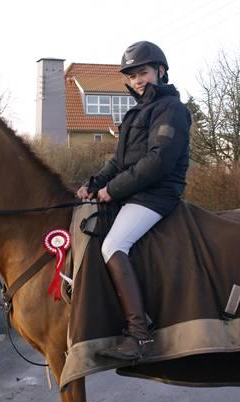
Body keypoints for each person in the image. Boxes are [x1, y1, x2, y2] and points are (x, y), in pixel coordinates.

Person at [76, 41, 191, 361]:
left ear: (161, 72)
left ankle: (139, 334)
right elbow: (120, 161)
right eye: (133, 75)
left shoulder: (172, 109)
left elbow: (159, 161)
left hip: (156, 194)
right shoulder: (136, 113)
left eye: (144, 72)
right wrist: (94, 183)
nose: (138, 80)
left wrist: (113, 190)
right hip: (135, 193)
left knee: (113, 245)